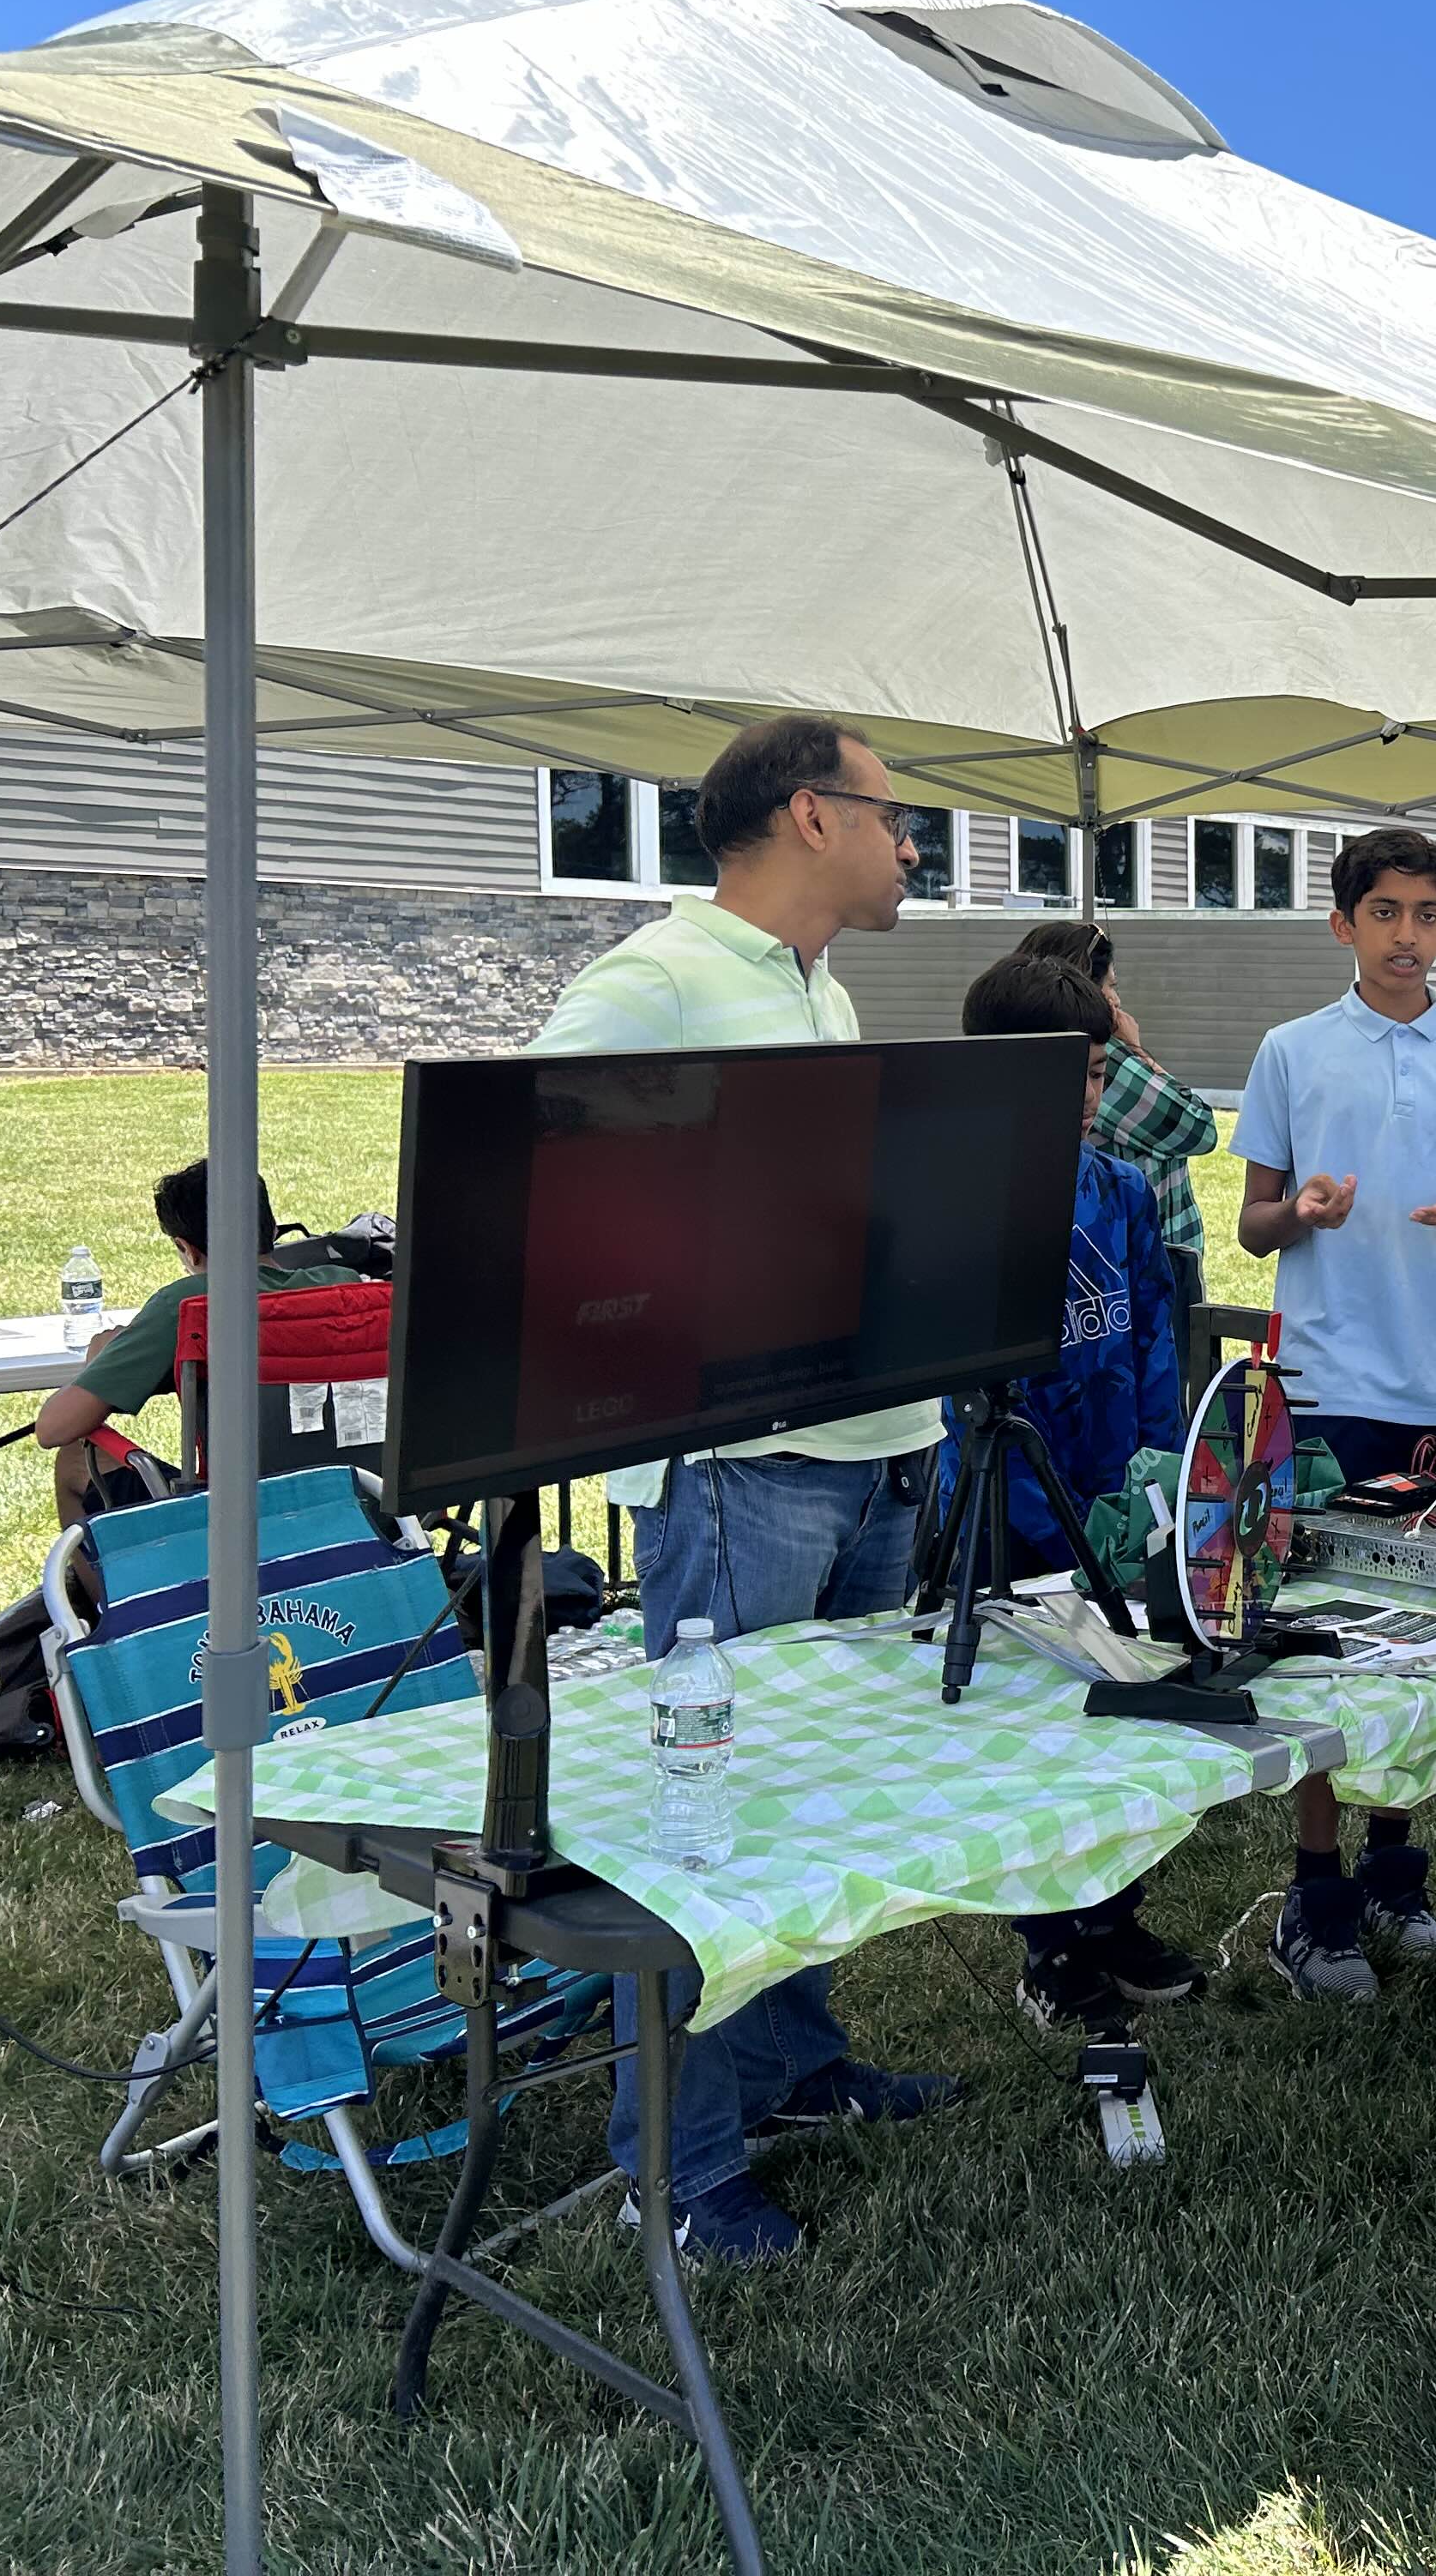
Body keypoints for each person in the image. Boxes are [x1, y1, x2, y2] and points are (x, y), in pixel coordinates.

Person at [528, 711, 962, 2267]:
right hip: (740, 1474)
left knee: (809, 1792)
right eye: (892, 813)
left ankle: (794, 2063)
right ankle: (679, 2159)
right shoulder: (651, 982)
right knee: (701, 1816)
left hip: (866, 1449)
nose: (911, 842)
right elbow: (544, 1177)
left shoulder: (820, 987)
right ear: (810, 815)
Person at [1234, 824, 1436, 1996]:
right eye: (1385, 914)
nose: (1407, 936)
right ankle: (1314, 1898)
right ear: (1344, 924)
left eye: (1426, 915)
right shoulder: (1290, 1051)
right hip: (1322, 1387)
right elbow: (1252, 1224)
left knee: (1425, 1642)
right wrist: (1300, 1215)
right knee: (1321, 1649)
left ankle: (1393, 1868)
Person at [945, 950, 1212, 2030]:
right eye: (1062, 1077)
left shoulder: (1120, 1189)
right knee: (1031, 1733)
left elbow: (1151, 1344)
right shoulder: (961, 1195)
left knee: (1117, 1722)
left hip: (1111, 1497)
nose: (1085, 1099)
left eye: (1098, 1077)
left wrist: (1156, 1483)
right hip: (1010, 1514)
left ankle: (1113, 1910)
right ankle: (1049, 1943)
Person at [32, 1160, 358, 1521]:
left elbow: (54, 1428)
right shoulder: (346, 1284)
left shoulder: (191, 1304)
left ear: (188, 1249)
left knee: (75, 1460)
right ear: (273, 1228)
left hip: (238, 1522)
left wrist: (98, 1360)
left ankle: (94, 1580)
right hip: (357, 1500)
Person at [1014, 917, 1221, 1391]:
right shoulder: (1112, 1064)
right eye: (1110, 986)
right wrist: (1137, 1048)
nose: (1117, 1000)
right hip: (1139, 1262)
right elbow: (1198, 1127)